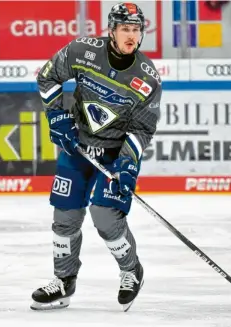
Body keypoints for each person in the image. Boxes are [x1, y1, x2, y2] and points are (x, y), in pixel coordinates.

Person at [30, 2, 162, 312]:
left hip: (116, 155)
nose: (131, 36)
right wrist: (57, 118)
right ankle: (63, 282)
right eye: (125, 29)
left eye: (136, 30)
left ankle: (131, 270)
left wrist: (127, 168)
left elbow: (142, 130)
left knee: (104, 216)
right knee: (64, 217)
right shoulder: (81, 50)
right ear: (111, 30)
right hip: (78, 145)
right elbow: (47, 77)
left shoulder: (148, 78)